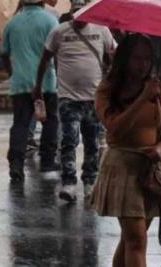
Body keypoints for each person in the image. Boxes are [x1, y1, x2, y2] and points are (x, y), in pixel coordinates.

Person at [90, 33, 161, 267]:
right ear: (124, 59)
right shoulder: (107, 89)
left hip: (149, 168)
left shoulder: (155, 86)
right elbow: (114, 128)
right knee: (136, 240)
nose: (143, 65)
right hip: (122, 167)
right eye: (137, 58)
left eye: (148, 59)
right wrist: (142, 99)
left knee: (130, 239)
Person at [34, 0, 116, 201]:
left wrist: (113, 81)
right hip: (68, 98)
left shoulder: (102, 30)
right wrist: (37, 88)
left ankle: (90, 180)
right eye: (77, 15)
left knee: (92, 142)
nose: (80, 18)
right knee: (69, 140)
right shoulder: (59, 31)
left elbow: (114, 54)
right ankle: (69, 182)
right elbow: (44, 59)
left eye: (84, 14)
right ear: (72, 14)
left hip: (94, 98)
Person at [0, 0, 60, 183]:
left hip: (21, 83)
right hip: (47, 83)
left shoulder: (12, 23)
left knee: (20, 124)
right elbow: (57, 52)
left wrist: (13, 74)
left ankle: (16, 165)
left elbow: (3, 53)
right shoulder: (50, 21)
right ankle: (48, 161)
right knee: (50, 121)